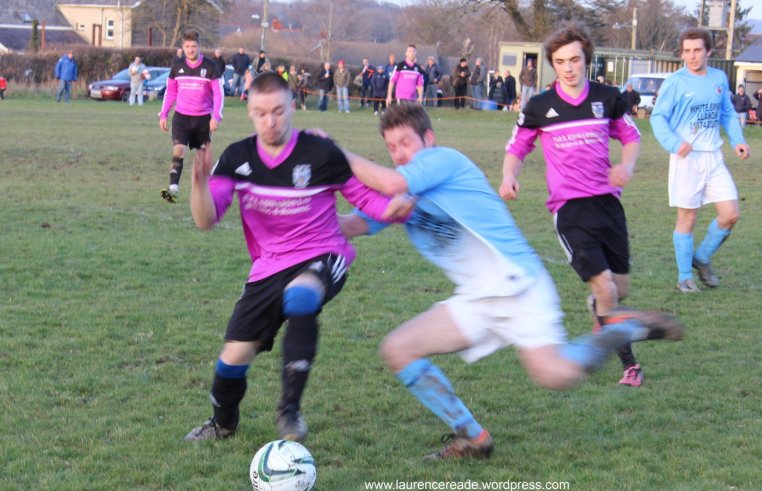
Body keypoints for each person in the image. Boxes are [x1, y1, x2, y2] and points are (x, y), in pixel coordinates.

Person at [337, 102, 682, 459]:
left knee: (556, 375)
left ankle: (622, 329)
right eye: (391, 147)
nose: (399, 154)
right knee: (398, 349)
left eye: (406, 143)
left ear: (429, 138)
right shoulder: (400, 192)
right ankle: (472, 437)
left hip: (519, 284)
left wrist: (333, 153)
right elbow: (353, 224)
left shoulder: (442, 161)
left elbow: (392, 181)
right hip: (477, 298)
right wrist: (304, 208)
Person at [182, 72, 411, 443]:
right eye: (261, 113)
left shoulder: (319, 152)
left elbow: (365, 198)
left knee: (301, 295)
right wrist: (198, 184)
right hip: (269, 266)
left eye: (277, 111)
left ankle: (289, 411)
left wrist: (394, 208)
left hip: (323, 253)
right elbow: (206, 220)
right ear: (249, 112)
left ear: (292, 106)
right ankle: (222, 422)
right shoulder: (237, 157)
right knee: (232, 358)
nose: (270, 121)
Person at [501, 23, 647, 387]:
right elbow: (517, 147)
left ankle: (599, 307)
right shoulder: (539, 106)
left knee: (620, 289)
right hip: (569, 210)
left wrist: (626, 167)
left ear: (587, 60)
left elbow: (631, 136)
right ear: (553, 64)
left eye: (575, 60)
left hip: (608, 205)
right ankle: (630, 366)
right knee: (607, 290)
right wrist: (509, 176)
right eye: (561, 61)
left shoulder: (607, 97)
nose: (568, 68)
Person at [650, 28, 750, 293]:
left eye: (697, 50)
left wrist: (738, 140)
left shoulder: (718, 78)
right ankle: (685, 277)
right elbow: (657, 118)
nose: (692, 56)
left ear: (708, 51)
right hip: (686, 159)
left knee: (730, 215)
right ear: (682, 53)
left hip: (714, 157)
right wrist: (674, 144)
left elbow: (727, 113)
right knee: (688, 218)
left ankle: (702, 258)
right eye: (687, 51)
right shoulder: (675, 82)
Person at [159, 30, 223, 204]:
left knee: (202, 159)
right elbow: (170, 93)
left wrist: (216, 116)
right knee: (178, 150)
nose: (190, 50)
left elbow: (219, 94)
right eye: (187, 46)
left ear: (199, 46)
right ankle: (173, 189)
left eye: (193, 46)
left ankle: (204, 192)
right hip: (181, 117)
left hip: (203, 119)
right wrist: (164, 114)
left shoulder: (210, 67)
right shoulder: (177, 67)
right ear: (183, 47)